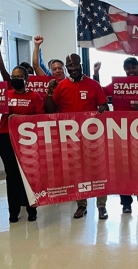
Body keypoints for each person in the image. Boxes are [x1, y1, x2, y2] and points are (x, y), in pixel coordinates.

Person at [45, 53, 109, 220]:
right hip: (71, 138)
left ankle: (101, 206)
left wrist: (103, 108)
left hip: (93, 137)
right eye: (70, 66)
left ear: (81, 65)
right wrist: (50, 93)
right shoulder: (61, 85)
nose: (73, 68)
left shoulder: (93, 85)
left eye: (75, 65)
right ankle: (81, 205)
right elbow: (50, 110)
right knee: (78, 172)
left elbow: (104, 107)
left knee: (99, 171)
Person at [93, 48, 138, 213]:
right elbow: (101, 92)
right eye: (128, 68)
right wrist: (96, 74)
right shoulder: (119, 84)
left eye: (133, 67)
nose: (131, 70)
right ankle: (126, 204)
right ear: (124, 70)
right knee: (122, 169)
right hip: (121, 132)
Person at [0, 65, 44, 223]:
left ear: (27, 79)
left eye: (19, 77)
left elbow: (40, 118)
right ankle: (13, 211)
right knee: (12, 176)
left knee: (29, 175)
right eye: (13, 77)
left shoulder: (35, 96)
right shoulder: (5, 95)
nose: (16, 80)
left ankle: (32, 209)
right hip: (6, 138)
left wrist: (19, 118)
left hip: (27, 140)